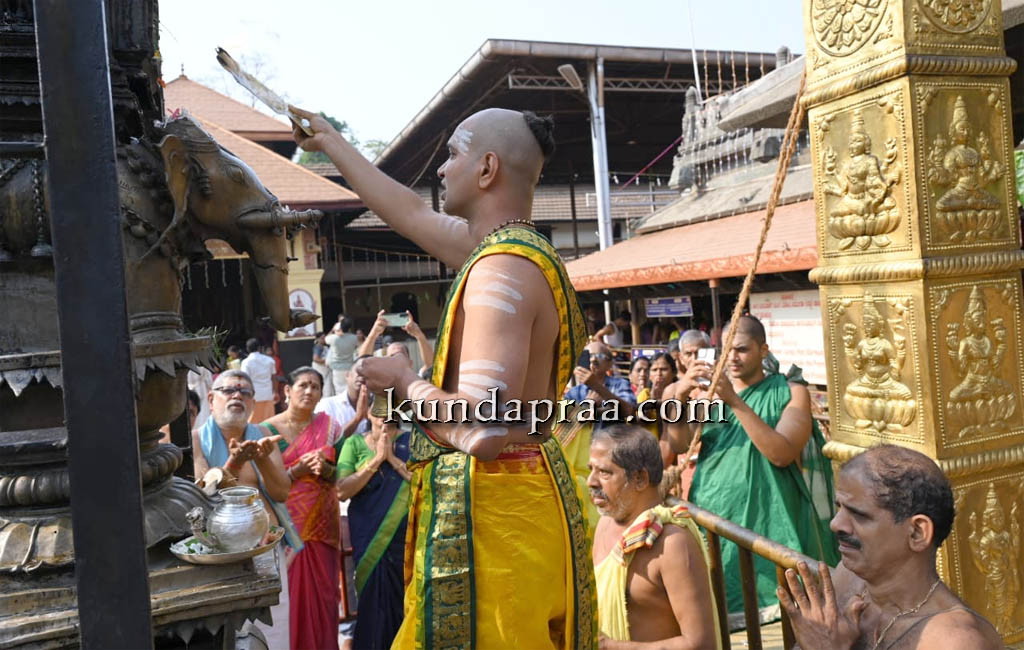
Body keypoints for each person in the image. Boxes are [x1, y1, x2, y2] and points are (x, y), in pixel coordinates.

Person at [292, 104, 594, 648]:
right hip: (519, 503)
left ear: (487, 169)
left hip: (498, 521)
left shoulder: (500, 270)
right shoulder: (515, 253)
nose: (440, 168)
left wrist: (404, 379)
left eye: (453, 153)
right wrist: (332, 144)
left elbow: (484, 428)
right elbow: (408, 210)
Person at [667, 315, 837, 624]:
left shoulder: (790, 391)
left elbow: (782, 453)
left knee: (781, 615)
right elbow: (679, 444)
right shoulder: (708, 398)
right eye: (726, 350)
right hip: (715, 515)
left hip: (771, 518)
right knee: (726, 605)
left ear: (764, 350)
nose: (732, 358)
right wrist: (678, 397)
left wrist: (733, 401)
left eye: (742, 349)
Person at [778, 445, 1002, 650]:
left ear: (917, 533)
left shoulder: (954, 640)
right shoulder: (849, 578)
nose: (836, 524)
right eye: (840, 508)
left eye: (858, 514)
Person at [587, 424, 721, 648]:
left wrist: (610, 646)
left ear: (640, 478)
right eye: (590, 469)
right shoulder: (604, 523)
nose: (591, 481)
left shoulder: (672, 544)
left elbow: (701, 644)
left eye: (604, 472)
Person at [260, 367, 345, 650]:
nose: (309, 391)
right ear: (287, 390)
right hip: (288, 528)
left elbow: (340, 475)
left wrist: (327, 469)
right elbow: (264, 481)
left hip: (323, 525)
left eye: (316, 387)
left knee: (324, 595)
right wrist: (296, 471)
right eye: (303, 385)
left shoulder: (331, 427)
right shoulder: (267, 431)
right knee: (292, 596)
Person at [336, 400, 412, 650]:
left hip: (407, 538)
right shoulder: (354, 444)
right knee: (372, 601)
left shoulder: (412, 441)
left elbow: (423, 483)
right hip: (369, 535)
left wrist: (392, 459)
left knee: (406, 601)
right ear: (369, 413)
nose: (386, 417)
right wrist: (377, 460)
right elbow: (342, 490)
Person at [559, 340, 638, 533]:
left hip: (614, 461)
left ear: (610, 364)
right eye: (589, 356)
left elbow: (629, 411)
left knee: (616, 515)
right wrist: (587, 407)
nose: (593, 360)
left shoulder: (619, 384)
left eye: (599, 357)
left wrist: (598, 388)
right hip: (584, 465)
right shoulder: (576, 392)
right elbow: (566, 425)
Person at [635, 352, 677, 468]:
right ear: (649, 375)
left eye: (664, 369)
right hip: (649, 457)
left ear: (673, 372)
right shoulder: (645, 395)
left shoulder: (680, 394)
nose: (659, 374)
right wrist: (652, 403)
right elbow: (637, 423)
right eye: (654, 370)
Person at [240, 338, 276, 423]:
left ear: (247, 349)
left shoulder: (246, 362)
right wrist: (275, 391)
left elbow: (245, 379)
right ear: (259, 348)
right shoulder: (269, 360)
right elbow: (274, 377)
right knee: (269, 420)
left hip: (254, 395)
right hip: (268, 394)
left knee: (253, 421)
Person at [326, 317, 360, 396]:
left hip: (337, 367)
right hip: (349, 366)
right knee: (349, 388)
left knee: (338, 390)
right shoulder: (354, 338)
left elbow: (326, 339)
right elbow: (357, 347)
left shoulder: (334, 338)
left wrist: (334, 330)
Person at [312, 332, 334, 398]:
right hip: (321, 369)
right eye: (322, 338)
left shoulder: (323, 347)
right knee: (325, 387)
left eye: (325, 338)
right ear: (318, 339)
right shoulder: (319, 347)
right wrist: (327, 361)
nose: (324, 339)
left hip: (325, 370)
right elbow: (315, 359)